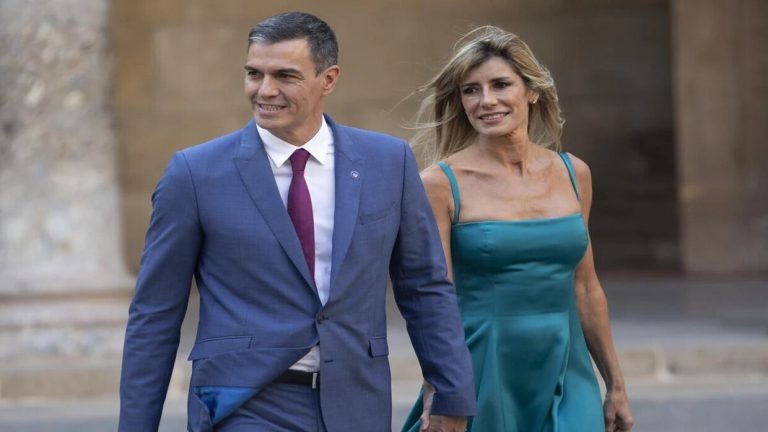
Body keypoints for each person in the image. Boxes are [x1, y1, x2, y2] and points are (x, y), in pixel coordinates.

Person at [119, 12, 476, 432]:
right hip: (243, 406)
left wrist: (451, 392)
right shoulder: (194, 174)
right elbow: (155, 314)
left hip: (357, 404)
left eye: (285, 76)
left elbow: (424, 287)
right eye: (254, 74)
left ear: (329, 79)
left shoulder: (388, 162)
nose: (265, 90)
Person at [401, 26, 634, 432]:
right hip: (484, 365)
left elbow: (586, 288)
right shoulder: (439, 183)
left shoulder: (574, 172)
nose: (486, 100)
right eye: (471, 90)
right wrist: (439, 387)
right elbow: (435, 299)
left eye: (501, 84)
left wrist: (616, 384)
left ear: (532, 91)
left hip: (567, 364)